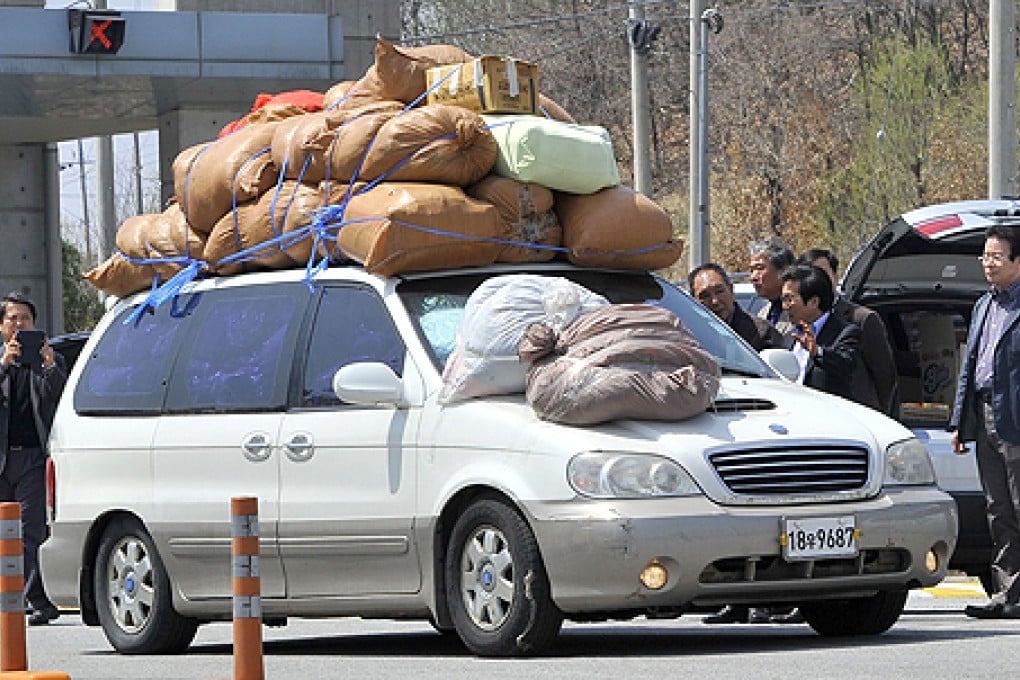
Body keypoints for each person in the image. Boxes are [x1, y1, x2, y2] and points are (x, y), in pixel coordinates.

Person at [950, 226, 1020, 620]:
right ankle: (1008, 592)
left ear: (1018, 262)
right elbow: (969, 369)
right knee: (999, 508)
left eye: (996, 257)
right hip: (986, 413)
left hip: (1016, 416)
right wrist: (961, 421)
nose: (988, 264)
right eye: (985, 257)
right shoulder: (983, 305)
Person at [0, 292, 66, 626]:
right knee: (2, 533)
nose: (18, 324)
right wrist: (4, 366)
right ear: (1, 326)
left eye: (25, 318)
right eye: (12, 318)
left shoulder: (47, 362)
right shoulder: (1, 363)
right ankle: (14, 596)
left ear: (35, 325)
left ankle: (35, 598)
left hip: (33, 459)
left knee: (30, 532)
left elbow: (58, 394)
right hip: (2, 461)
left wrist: (49, 364)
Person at [798, 248, 900, 418]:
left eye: (821, 273)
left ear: (837, 277)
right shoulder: (792, 322)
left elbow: (885, 376)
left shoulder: (861, 319)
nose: (815, 281)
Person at [780, 264, 861, 400]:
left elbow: (846, 365)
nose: (785, 306)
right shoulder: (789, 337)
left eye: (789, 299)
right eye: (782, 299)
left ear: (814, 302)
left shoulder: (845, 332)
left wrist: (818, 352)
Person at [688, 263, 786, 351]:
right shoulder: (688, 336)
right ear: (693, 301)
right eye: (705, 296)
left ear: (731, 290)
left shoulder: (762, 333)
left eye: (719, 291)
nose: (715, 301)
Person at [748, 238, 796, 335]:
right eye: (751, 271)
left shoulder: (801, 311)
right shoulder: (763, 313)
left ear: (784, 270)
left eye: (760, 268)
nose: (753, 277)